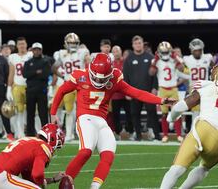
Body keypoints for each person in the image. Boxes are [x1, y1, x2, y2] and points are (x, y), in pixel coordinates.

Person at [50, 53, 175, 189]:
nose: (98, 81)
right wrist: (53, 113)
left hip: (101, 121)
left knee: (108, 153)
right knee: (86, 151)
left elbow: (136, 93)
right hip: (85, 118)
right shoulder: (80, 76)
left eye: (102, 79)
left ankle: (94, 187)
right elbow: (62, 90)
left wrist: (161, 100)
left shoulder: (115, 79)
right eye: (96, 78)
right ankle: (66, 183)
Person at [160, 60, 218, 189]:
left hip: (202, 130)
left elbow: (179, 107)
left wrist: (172, 118)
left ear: (217, 73)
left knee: (176, 169)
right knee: (204, 168)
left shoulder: (208, 86)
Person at [0, 123, 66, 189]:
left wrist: (52, 180)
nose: (54, 150)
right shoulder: (43, 147)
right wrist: (42, 185)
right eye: (57, 146)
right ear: (52, 139)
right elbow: (37, 175)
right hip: (1, 175)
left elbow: (29, 179)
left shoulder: (29, 141)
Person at [52, 32, 90, 141]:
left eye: (74, 43)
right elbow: (54, 68)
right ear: (65, 43)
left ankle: (75, 133)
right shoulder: (61, 53)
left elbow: (89, 62)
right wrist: (63, 76)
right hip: (69, 83)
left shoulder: (83, 52)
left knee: (82, 110)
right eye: (70, 43)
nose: (73, 45)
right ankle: (68, 133)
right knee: (69, 110)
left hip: (81, 85)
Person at [123, 35, 159, 141]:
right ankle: (138, 135)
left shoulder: (150, 57)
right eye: (136, 43)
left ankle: (156, 135)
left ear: (143, 44)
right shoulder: (128, 59)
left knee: (152, 112)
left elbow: (155, 74)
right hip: (134, 92)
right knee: (135, 114)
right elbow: (125, 76)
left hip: (148, 91)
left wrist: (154, 88)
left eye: (139, 43)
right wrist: (126, 91)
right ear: (133, 45)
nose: (138, 45)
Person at [149, 41, 184, 143]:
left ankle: (178, 135)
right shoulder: (157, 60)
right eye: (162, 52)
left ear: (170, 51)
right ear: (159, 52)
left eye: (166, 52)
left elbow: (181, 69)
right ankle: (165, 135)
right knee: (164, 114)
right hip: (163, 89)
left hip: (173, 88)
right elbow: (151, 73)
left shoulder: (174, 59)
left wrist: (175, 58)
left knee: (176, 112)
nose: (165, 54)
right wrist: (155, 60)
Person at [6, 37, 33, 138]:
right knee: (18, 111)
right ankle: (20, 133)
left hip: (30, 86)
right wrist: (8, 88)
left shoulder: (31, 55)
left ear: (26, 44)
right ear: (17, 46)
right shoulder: (13, 57)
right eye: (20, 44)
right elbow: (11, 73)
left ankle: (38, 132)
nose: (22, 46)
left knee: (34, 111)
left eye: (23, 44)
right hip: (17, 86)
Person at [23, 43, 51, 136]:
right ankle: (30, 133)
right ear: (32, 50)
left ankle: (45, 133)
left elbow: (45, 74)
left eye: (38, 49)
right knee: (30, 114)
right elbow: (25, 74)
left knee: (43, 114)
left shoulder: (45, 62)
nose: (36, 51)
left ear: (41, 50)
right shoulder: (28, 62)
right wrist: (36, 72)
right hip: (30, 91)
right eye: (35, 49)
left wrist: (32, 74)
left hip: (41, 91)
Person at [183, 38, 214, 121]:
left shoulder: (208, 57)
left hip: (206, 88)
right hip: (193, 88)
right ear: (191, 50)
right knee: (195, 112)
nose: (197, 52)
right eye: (195, 50)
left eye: (199, 50)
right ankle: (194, 130)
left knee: (206, 111)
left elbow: (214, 69)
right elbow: (180, 71)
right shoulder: (186, 59)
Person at [110, 45, 133, 139]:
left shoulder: (127, 62)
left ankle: (130, 132)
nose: (116, 53)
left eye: (117, 51)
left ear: (121, 51)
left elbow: (131, 76)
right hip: (115, 94)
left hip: (126, 93)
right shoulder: (110, 64)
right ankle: (118, 132)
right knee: (115, 115)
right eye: (114, 51)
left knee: (130, 114)